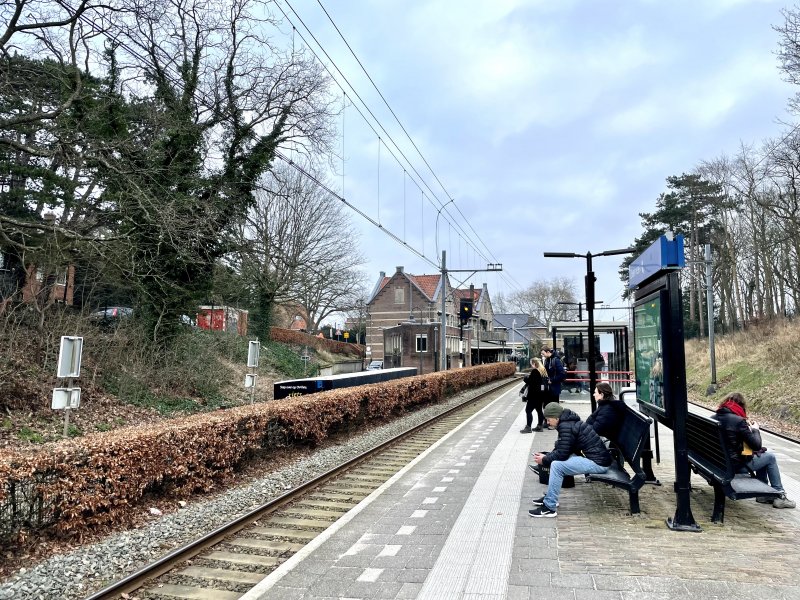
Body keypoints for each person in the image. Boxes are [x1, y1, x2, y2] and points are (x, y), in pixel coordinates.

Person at [529, 403, 613, 518]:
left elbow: (562, 454)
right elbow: (563, 449)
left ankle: (549, 507)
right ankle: (550, 497)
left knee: (557, 466)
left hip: (598, 463)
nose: (547, 422)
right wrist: (547, 456)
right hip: (596, 459)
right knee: (555, 462)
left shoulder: (566, 426)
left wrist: (544, 460)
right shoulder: (568, 422)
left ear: (556, 418)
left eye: (549, 419)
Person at [713, 392, 795, 509]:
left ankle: (764, 494)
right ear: (741, 405)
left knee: (763, 455)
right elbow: (756, 445)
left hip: (718, 463)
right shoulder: (738, 421)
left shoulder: (714, 417)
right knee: (770, 457)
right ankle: (780, 494)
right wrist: (755, 430)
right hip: (734, 466)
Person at [519, 358, 547, 433]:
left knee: (528, 410)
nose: (531, 365)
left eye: (531, 364)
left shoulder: (535, 371)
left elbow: (531, 382)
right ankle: (540, 426)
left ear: (534, 364)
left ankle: (528, 427)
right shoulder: (543, 370)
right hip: (541, 395)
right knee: (539, 410)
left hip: (534, 395)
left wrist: (525, 378)